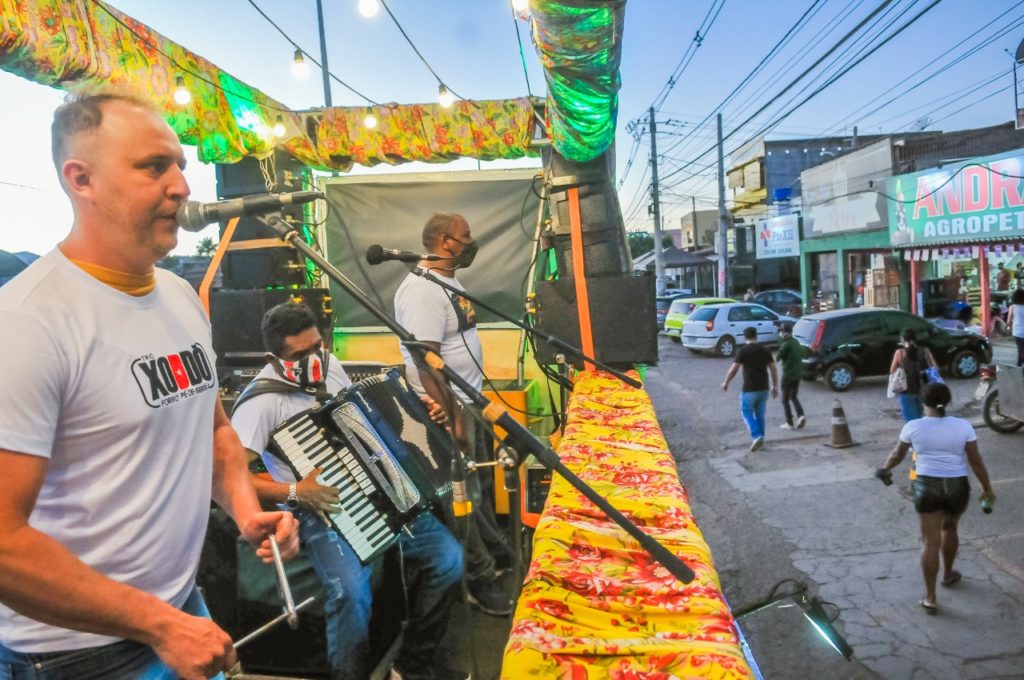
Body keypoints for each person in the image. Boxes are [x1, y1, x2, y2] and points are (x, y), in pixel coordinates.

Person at [0, 93, 298, 680]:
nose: (182, 186)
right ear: (81, 179)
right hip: (77, 655)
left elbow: (212, 432)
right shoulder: (27, 324)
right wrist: (157, 623)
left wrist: (245, 509)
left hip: (178, 610)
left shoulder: (181, 297)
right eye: (154, 166)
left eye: (182, 166)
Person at [231, 302, 467, 680]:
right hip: (319, 508)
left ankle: (413, 662)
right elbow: (235, 477)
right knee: (351, 595)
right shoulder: (260, 404)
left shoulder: (331, 365)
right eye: (299, 354)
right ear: (272, 357)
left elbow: (364, 418)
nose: (313, 360)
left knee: (449, 560)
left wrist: (418, 413)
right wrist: (295, 492)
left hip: (379, 490)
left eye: (316, 347)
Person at [394, 213, 514, 617]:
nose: (471, 241)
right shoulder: (422, 291)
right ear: (445, 241)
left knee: (474, 488)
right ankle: (479, 581)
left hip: (467, 403)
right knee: (459, 498)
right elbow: (424, 360)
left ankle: (495, 553)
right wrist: (453, 416)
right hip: (443, 412)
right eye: (466, 236)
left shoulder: (446, 280)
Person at [876, 383, 995, 614]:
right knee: (950, 529)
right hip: (957, 488)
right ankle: (948, 574)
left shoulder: (913, 426)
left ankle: (931, 597)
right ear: (947, 402)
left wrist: (885, 469)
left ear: (923, 402)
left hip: (926, 488)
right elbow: (976, 460)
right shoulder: (963, 426)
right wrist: (987, 488)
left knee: (930, 542)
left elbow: (897, 454)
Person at [722, 326, 779, 452]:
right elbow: (773, 368)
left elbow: (734, 369)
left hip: (749, 389)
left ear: (745, 337)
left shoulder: (743, 351)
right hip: (764, 388)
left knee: (746, 412)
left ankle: (756, 436)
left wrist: (726, 382)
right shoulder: (765, 350)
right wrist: (775, 385)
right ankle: (761, 440)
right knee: (760, 415)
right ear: (756, 336)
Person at [889, 327, 938, 422]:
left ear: (903, 339)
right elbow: (935, 368)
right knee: (921, 415)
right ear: (915, 338)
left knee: (909, 417)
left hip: (906, 389)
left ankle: (912, 434)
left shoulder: (900, 353)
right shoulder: (925, 351)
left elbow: (892, 370)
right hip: (924, 388)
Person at [775, 322, 806, 430]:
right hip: (797, 374)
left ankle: (789, 422)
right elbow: (803, 353)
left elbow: (777, 357)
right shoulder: (796, 342)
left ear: (784, 332)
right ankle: (801, 415)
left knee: (784, 399)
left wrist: (781, 341)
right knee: (793, 396)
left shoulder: (786, 344)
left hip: (788, 375)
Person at [1008, 288, 1024, 367]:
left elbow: (1009, 321)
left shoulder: (1013, 307)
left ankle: (1019, 364)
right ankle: (1020, 362)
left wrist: (1008, 327)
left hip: (1017, 332)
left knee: (1020, 348)